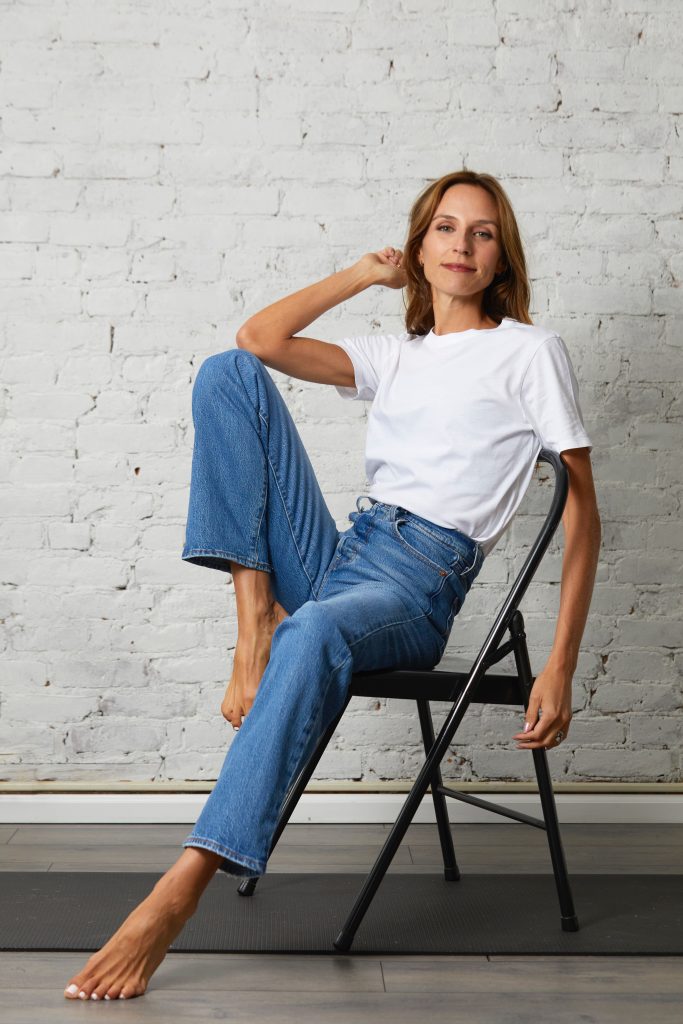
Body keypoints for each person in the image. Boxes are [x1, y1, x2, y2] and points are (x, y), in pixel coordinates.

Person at [64, 169, 601, 1001]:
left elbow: (582, 515)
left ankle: (180, 889)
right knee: (226, 373)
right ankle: (254, 624)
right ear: (419, 245)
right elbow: (260, 337)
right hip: (345, 552)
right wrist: (360, 274)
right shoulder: (397, 356)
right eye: (444, 229)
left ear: (502, 258)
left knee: (311, 632)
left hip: (416, 586)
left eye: (481, 232)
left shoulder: (529, 352)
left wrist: (560, 664)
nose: (461, 244)